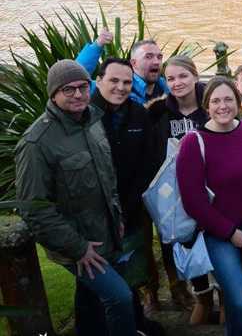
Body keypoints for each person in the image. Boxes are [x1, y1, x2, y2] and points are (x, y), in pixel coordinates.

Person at [16, 60, 137, 336]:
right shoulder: (36, 143)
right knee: (120, 298)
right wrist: (78, 248)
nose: (79, 94)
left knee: (91, 302)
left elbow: (107, 175)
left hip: (104, 232)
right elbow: (34, 209)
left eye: (83, 87)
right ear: (53, 94)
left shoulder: (92, 120)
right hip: (77, 245)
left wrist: (116, 216)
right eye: (68, 89)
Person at [176, 76, 242, 336]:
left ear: (238, 102)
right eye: (215, 101)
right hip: (218, 234)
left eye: (228, 99)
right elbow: (193, 202)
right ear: (206, 106)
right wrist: (231, 233)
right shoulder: (193, 143)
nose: (223, 106)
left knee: (236, 301)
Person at [81, 57, 162, 335]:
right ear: (99, 80)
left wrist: (130, 206)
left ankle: (136, 323)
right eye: (114, 81)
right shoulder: (84, 116)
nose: (120, 87)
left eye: (127, 82)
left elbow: (149, 162)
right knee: (94, 280)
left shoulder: (138, 114)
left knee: (131, 273)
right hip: (95, 217)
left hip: (131, 209)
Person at [146, 54, 213, 317]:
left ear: (195, 76)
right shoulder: (157, 112)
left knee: (212, 239)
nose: (177, 83)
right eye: (170, 78)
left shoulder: (212, 104)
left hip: (211, 186)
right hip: (174, 192)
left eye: (183, 76)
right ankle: (197, 294)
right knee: (181, 239)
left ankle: (222, 292)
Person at [77, 34, 168, 103]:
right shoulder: (114, 86)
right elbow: (76, 77)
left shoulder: (167, 86)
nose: (156, 62)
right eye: (148, 57)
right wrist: (97, 45)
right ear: (134, 63)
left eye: (159, 57)